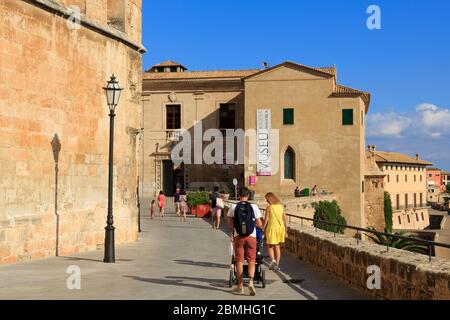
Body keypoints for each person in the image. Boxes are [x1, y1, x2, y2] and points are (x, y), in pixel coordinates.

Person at [227, 187, 263, 296]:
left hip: (239, 237)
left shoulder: (233, 206)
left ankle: (240, 285)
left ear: (239, 195)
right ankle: (251, 282)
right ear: (248, 196)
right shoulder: (254, 206)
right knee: (252, 260)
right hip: (251, 237)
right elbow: (259, 224)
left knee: (239, 261)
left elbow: (229, 222)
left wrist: (235, 230)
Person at [262, 193, 287, 271]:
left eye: (267, 199)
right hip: (280, 228)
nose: (266, 201)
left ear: (270, 199)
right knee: (277, 246)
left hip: (272, 228)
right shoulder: (281, 207)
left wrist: (263, 228)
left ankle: (273, 260)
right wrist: (286, 230)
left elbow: (266, 220)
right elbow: (284, 219)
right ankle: (277, 264)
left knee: (270, 245)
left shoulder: (269, 208)